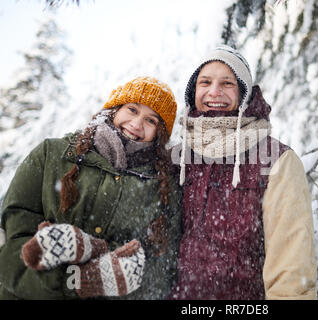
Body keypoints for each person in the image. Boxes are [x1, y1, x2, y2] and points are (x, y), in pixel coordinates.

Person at [0, 76, 182, 300]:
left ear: (160, 133)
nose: (136, 124)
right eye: (132, 109)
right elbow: (11, 245)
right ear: (114, 109)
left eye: (151, 120)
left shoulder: (163, 187)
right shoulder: (50, 155)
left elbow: (162, 271)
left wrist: (108, 271)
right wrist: (75, 282)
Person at [170, 45, 317, 300]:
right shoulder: (177, 158)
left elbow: (291, 271)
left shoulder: (276, 160)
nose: (214, 91)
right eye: (205, 82)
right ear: (193, 92)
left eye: (227, 83)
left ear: (244, 94)